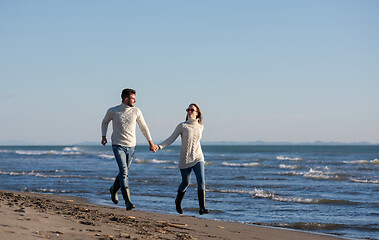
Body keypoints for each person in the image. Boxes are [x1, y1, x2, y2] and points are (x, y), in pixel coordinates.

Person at [101, 88, 158, 210]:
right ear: (126, 99)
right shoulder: (113, 111)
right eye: (133, 98)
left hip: (131, 146)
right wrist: (104, 136)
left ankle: (113, 189)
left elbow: (144, 126)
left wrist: (151, 142)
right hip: (118, 145)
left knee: (123, 172)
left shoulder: (136, 111)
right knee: (124, 172)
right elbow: (104, 122)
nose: (135, 101)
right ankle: (128, 201)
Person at [156, 103, 210, 215]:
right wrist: (159, 146)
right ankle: (178, 201)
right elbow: (171, 139)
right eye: (188, 110)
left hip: (198, 157)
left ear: (197, 113)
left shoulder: (201, 127)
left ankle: (202, 208)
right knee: (186, 183)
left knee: (201, 181)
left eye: (192, 110)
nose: (189, 111)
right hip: (185, 159)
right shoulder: (182, 126)